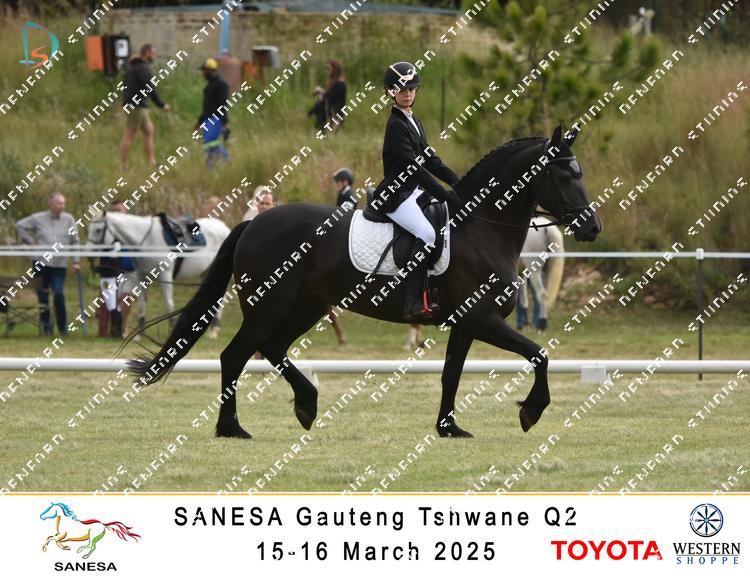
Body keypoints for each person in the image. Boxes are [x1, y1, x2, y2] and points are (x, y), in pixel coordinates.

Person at [370, 61, 463, 322]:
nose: (407, 94)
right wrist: (445, 194)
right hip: (396, 195)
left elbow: (430, 161)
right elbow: (412, 168)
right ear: (391, 92)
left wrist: (459, 183)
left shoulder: (414, 121)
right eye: (402, 90)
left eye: (411, 89)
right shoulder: (396, 125)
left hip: (412, 191)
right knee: (427, 234)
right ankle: (411, 302)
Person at [15, 192, 80, 336]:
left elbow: (75, 241)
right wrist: (30, 241)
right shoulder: (38, 218)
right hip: (41, 263)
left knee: (58, 294)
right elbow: (19, 225)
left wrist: (76, 261)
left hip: (59, 264)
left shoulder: (69, 219)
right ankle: (47, 328)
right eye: (59, 203)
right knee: (43, 296)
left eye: (64, 203)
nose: (62, 206)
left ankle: (63, 328)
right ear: (51, 204)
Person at [119, 44, 171, 170]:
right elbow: (150, 87)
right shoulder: (143, 67)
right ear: (147, 53)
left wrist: (124, 102)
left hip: (135, 104)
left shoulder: (131, 67)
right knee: (129, 134)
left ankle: (152, 162)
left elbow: (125, 85)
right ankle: (122, 165)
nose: (154, 56)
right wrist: (162, 104)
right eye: (152, 53)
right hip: (136, 106)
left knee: (149, 130)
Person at [195, 58, 230, 167]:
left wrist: (225, 123)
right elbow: (207, 107)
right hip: (207, 120)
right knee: (208, 145)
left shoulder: (221, 84)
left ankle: (226, 162)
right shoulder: (209, 85)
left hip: (215, 120)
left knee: (211, 145)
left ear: (210, 70)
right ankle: (212, 167)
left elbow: (223, 104)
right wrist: (199, 122)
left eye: (204, 70)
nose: (203, 73)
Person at [323, 59, 347, 130]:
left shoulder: (339, 84)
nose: (327, 71)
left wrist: (322, 93)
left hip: (336, 116)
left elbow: (330, 97)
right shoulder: (336, 83)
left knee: (332, 134)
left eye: (328, 69)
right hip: (333, 115)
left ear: (334, 70)